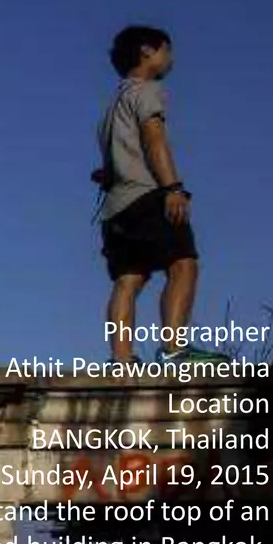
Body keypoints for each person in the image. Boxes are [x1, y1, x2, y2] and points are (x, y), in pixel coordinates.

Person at [96, 26, 219, 363]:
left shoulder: (111, 109)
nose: (171, 59)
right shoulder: (147, 91)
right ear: (147, 51)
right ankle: (174, 349)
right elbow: (154, 141)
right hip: (147, 197)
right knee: (183, 264)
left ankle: (121, 360)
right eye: (168, 51)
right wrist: (173, 188)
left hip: (114, 209)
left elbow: (112, 164)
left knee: (128, 279)